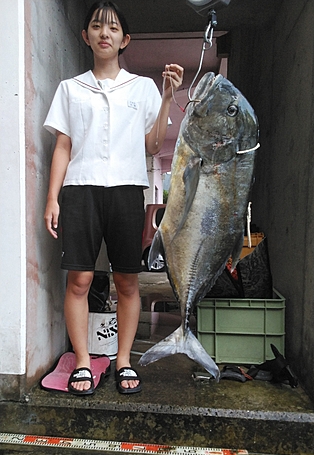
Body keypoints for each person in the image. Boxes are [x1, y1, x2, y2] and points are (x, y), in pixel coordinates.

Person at [43, 1, 183, 395]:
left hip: (125, 190)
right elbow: (63, 148)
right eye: (97, 26)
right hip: (80, 189)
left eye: (113, 28)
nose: (105, 33)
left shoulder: (142, 88)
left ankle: (123, 361)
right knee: (80, 279)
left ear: (125, 39)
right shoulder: (70, 88)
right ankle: (84, 362)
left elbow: (154, 147)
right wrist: (52, 199)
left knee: (126, 281)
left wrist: (169, 96)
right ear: (85, 36)